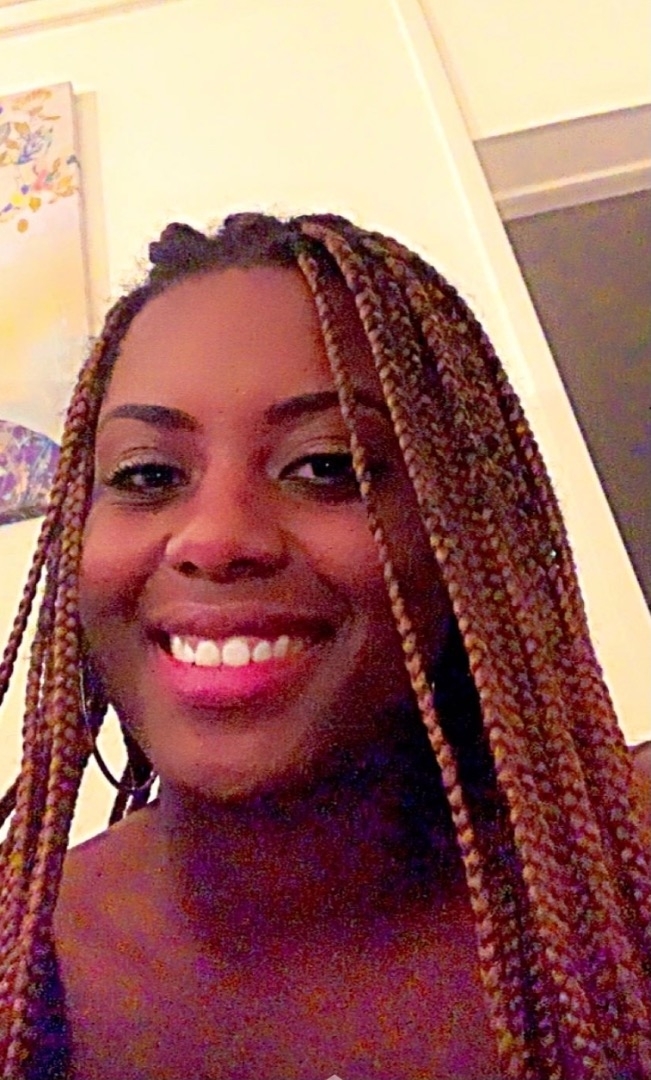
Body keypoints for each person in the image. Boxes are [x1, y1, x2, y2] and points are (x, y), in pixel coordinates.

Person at [0, 211, 649, 1080]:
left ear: (465, 531)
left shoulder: (622, 880)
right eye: (148, 475)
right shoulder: (21, 975)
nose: (215, 539)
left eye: (326, 465)